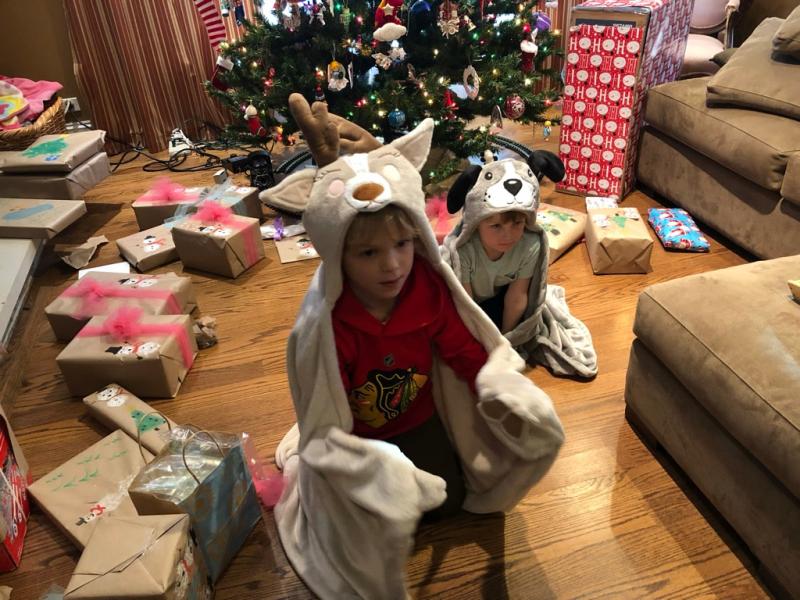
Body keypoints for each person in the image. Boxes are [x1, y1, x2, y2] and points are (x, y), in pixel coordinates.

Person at [334, 204, 488, 518]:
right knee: (368, 515)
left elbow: (462, 349)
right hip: (361, 437)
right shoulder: (333, 320)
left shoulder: (427, 290)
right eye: (368, 253)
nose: (392, 265)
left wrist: (492, 390)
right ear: (340, 257)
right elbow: (327, 400)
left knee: (447, 501)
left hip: (418, 419)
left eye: (402, 244)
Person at [456, 208, 543, 333]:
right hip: (470, 306)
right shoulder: (464, 249)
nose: (508, 236)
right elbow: (466, 305)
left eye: (517, 223)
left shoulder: (530, 245)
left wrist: (507, 336)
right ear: (476, 224)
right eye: (496, 226)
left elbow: (517, 297)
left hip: (500, 298)